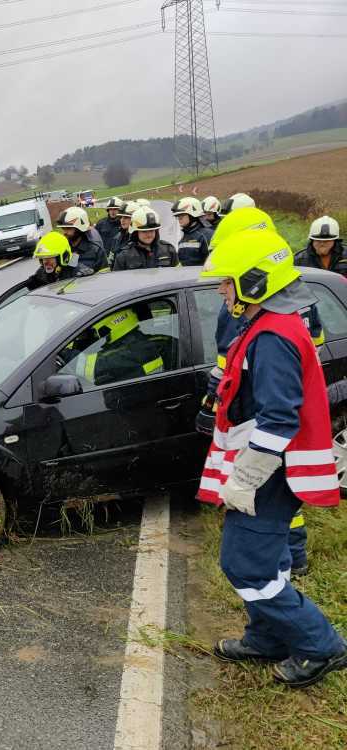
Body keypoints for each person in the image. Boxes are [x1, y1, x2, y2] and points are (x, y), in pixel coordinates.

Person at [198, 228, 346, 688]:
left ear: (255, 282)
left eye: (228, 281)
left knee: (245, 564)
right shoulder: (265, 326)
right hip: (267, 466)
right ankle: (266, 636)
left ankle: (321, 645)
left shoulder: (274, 337)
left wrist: (244, 479)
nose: (222, 289)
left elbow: (280, 420)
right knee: (265, 558)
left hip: (271, 472)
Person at [60, 307, 164, 386]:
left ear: (111, 326)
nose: (96, 337)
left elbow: (91, 368)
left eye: (96, 333)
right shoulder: (153, 340)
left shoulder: (130, 351)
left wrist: (64, 352)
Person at [112, 207, 178, 270]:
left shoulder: (169, 250)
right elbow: (118, 281)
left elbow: (177, 276)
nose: (149, 234)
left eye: (152, 230)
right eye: (144, 231)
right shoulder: (123, 256)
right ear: (135, 233)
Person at [25, 231, 93, 290]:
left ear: (63, 257)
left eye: (49, 257)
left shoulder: (78, 274)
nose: (45, 262)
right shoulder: (42, 272)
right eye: (43, 258)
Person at [56, 206, 107, 272]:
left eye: (68, 228)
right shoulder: (61, 249)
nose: (64, 232)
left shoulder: (96, 250)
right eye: (63, 228)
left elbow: (105, 276)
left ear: (80, 229)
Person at [172, 197, 212, 267]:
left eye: (182, 215)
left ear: (193, 215)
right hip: (187, 277)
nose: (179, 219)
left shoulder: (206, 235)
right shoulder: (185, 236)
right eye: (177, 216)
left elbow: (213, 262)